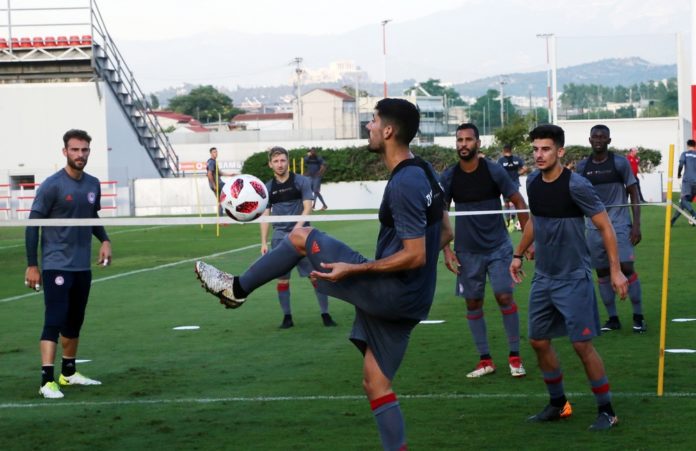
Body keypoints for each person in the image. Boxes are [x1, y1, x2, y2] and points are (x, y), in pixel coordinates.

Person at [194, 98, 453, 450]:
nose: (369, 126)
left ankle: (237, 288)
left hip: (392, 292)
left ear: (389, 131)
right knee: (376, 384)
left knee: (300, 236)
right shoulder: (425, 171)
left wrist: (356, 270)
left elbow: (416, 254)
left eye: (374, 121)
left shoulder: (405, 183)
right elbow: (446, 232)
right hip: (413, 299)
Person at [510, 124, 628, 431]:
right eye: (535, 149)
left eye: (546, 149)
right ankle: (558, 403)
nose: (539, 155)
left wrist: (615, 270)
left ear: (560, 151)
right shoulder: (533, 182)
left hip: (573, 278)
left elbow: (605, 226)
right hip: (543, 278)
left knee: (581, 345)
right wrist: (518, 253)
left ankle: (607, 411)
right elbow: (535, 221)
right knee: (538, 340)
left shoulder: (577, 185)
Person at [25, 129, 112, 399]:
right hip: (56, 265)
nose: (80, 154)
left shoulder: (93, 184)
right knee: (54, 318)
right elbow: (32, 225)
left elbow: (92, 217)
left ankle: (69, 373)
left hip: (82, 266)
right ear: (65, 152)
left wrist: (105, 240)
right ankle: (46, 381)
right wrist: (32, 265)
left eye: (84, 150)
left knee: (75, 320)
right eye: (75, 150)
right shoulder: (52, 185)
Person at [440, 124, 529, 378]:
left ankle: (515, 357)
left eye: (468, 140)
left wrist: (528, 241)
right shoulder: (449, 176)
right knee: (473, 302)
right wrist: (446, 249)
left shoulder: (493, 170)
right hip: (467, 252)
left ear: (478, 143)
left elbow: (518, 201)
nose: (463, 144)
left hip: (498, 247)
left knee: (504, 296)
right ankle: (485, 360)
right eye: (459, 140)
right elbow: (440, 212)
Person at [576, 125, 645, 333]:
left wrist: (636, 224)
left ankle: (638, 316)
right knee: (603, 272)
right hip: (593, 228)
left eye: (602, 137)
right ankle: (613, 318)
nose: (598, 140)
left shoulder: (620, 163)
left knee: (626, 267)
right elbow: (577, 197)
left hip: (619, 225)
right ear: (590, 140)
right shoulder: (582, 167)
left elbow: (633, 193)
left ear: (609, 140)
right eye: (595, 137)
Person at [261, 146, 337, 328]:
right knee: (282, 279)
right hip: (280, 239)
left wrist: (297, 229)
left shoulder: (301, 181)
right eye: (276, 161)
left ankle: (325, 314)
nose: (280, 164)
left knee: (315, 276)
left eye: (282, 160)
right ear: (270, 164)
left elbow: (308, 207)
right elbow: (265, 215)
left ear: (288, 161)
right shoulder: (267, 188)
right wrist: (263, 242)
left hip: (303, 237)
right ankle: (287, 318)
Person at [496, 143, 528, 228]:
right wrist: (517, 174)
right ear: (511, 150)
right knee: (514, 202)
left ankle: (508, 221)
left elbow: (497, 171)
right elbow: (525, 168)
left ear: (504, 151)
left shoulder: (501, 161)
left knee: (507, 203)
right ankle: (512, 220)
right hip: (515, 184)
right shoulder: (517, 159)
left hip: (505, 184)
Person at [670, 139, 696, 226]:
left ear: (687, 146)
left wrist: (678, 174)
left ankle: (694, 215)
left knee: (683, 200)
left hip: (687, 181)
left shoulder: (685, 154)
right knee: (683, 203)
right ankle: (672, 221)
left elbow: (681, 164)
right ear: (694, 146)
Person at [206, 147, 234, 216]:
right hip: (217, 184)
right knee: (231, 191)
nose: (216, 153)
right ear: (211, 153)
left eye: (216, 152)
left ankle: (220, 217)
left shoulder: (214, 161)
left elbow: (219, 173)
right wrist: (214, 185)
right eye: (214, 152)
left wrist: (230, 175)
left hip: (216, 184)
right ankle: (233, 210)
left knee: (220, 200)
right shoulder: (211, 162)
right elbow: (209, 174)